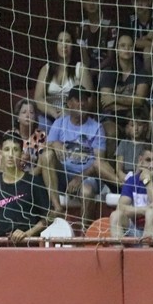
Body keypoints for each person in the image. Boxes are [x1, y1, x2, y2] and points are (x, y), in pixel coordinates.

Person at [47, 86, 117, 229]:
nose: (82, 103)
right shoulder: (60, 123)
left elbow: (99, 162)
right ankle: (57, 207)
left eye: (85, 100)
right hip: (63, 175)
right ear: (69, 103)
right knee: (47, 156)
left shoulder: (96, 127)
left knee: (87, 191)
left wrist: (79, 178)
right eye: (78, 100)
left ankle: (85, 232)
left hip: (86, 176)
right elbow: (44, 148)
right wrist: (54, 143)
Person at [0, 130, 49, 243]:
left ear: (21, 154)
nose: (10, 155)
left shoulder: (34, 182)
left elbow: (48, 218)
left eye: (15, 150)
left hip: (27, 245)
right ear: (1, 153)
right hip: (0, 245)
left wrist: (27, 233)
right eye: (6, 149)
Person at [98, 32, 152, 155]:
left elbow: (139, 101)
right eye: (122, 45)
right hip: (112, 117)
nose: (127, 49)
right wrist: (130, 102)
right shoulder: (108, 72)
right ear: (116, 49)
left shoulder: (141, 73)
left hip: (135, 117)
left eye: (130, 46)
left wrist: (115, 99)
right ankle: (110, 166)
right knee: (111, 132)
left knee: (140, 128)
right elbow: (106, 103)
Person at [33, 29, 94, 132]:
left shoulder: (81, 69)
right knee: (42, 125)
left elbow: (90, 101)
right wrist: (52, 111)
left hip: (74, 117)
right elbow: (38, 98)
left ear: (73, 45)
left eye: (68, 41)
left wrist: (70, 112)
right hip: (49, 116)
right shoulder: (46, 69)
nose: (64, 45)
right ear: (56, 44)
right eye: (60, 41)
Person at [110, 145, 153, 239]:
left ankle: (146, 247)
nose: (152, 165)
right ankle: (117, 248)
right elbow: (120, 207)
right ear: (141, 160)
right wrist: (144, 210)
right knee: (115, 216)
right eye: (148, 160)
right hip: (134, 228)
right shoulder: (132, 180)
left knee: (151, 213)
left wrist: (148, 182)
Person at [13, 98, 61, 215]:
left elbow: (43, 164)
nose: (28, 115)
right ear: (17, 117)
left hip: (37, 177)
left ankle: (55, 208)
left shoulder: (41, 135)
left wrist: (31, 163)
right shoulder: (11, 136)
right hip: (16, 176)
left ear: (35, 117)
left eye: (31, 112)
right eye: (24, 112)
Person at [75, 0, 116, 85]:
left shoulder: (110, 24)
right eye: (87, 0)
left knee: (104, 74)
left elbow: (110, 57)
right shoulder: (81, 26)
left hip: (106, 67)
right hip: (89, 67)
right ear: (83, 4)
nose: (91, 3)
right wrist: (87, 72)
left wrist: (93, 71)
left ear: (101, 1)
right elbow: (84, 58)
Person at [115, 111, 151, 186]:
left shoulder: (148, 145)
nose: (136, 129)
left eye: (139, 125)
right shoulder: (123, 143)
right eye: (132, 125)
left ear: (145, 127)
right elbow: (119, 169)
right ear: (127, 127)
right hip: (125, 179)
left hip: (141, 178)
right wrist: (128, 179)